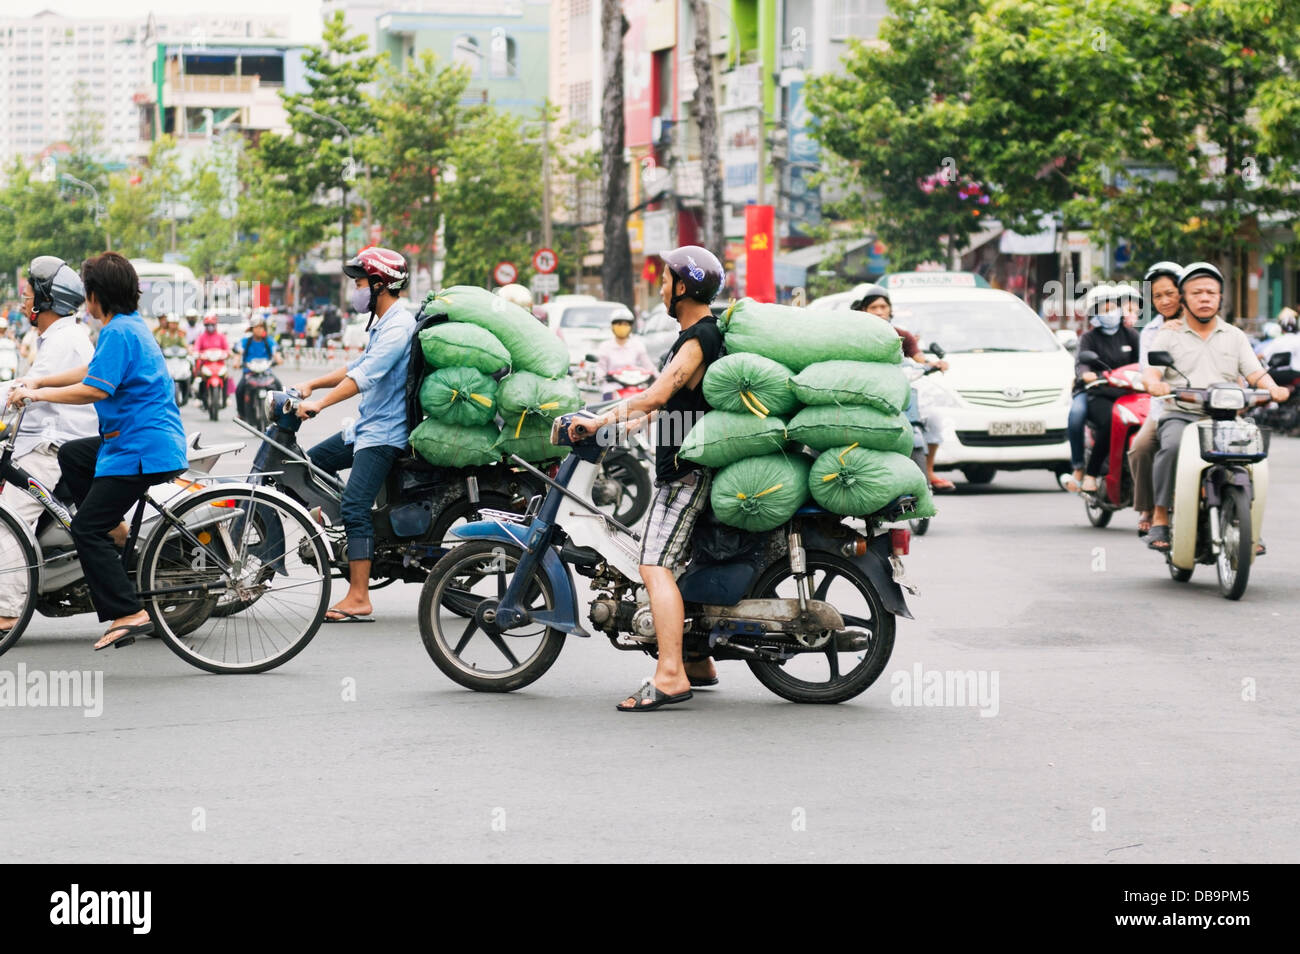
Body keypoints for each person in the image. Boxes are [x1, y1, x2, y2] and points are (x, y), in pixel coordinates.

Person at [568, 245, 726, 712]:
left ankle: (672, 675)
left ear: (682, 287)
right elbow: (677, 407)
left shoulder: (699, 337)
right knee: (679, 568)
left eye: (664, 280)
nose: (659, 288)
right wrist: (629, 424)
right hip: (684, 465)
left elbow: (659, 395)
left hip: (686, 474)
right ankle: (697, 659)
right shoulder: (697, 336)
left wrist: (599, 421)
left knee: (653, 565)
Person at [7, 253, 187, 649]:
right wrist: (37, 384)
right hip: (128, 442)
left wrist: (38, 395)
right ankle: (117, 530)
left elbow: (95, 389)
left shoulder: (118, 332)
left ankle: (129, 612)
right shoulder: (123, 327)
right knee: (73, 455)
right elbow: (91, 373)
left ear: (94, 295)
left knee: (84, 528)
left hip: (140, 448)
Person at [296, 247, 415, 623]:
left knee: (354, 506)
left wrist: (321, 404)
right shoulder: (383, 322)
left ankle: (359, 596)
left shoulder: (398, 326)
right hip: (364, 428)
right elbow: (355, 365)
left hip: (384, 434)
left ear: (380, 285)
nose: (356, 290)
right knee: (308, 465)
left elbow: (366, 377)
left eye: (361, 283)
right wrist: (311, 384)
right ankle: (329, 530)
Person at [1142, 262, 1289, 553]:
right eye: (1197, 292)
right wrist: (1153, 383)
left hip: (1226, 417)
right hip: (1181, 414)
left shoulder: (1234, 335)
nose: (1205, 298)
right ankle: (1159, 513)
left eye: (1212, 292)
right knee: (1169, 448)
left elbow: (1254, 372)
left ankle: (1250, 526)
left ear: (1221, 297)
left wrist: (1273, 388)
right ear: (1183, 298)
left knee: (1254, 456)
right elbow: (1152, 371)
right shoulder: (1168, 334)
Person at [0, 257, 98, 634]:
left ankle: (8, 611)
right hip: (45, 438)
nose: (23, 303)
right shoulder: (59, 337)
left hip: (51, 446)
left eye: (27, 295)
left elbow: (27, 389)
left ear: (44, 301)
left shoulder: (64, 340)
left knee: (10, 520)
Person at [850, 284, 953, 491]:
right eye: (873, 308)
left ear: (890, 310)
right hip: (870, 392)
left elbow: (919, 358)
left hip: (899, 392)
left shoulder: (902, 335)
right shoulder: (856, 334)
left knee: (933, 418)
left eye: (883, 307)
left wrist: (932, 364)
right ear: (863, 311)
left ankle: (929, 471)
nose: (879, 312)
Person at [1127, 262, 1183, 534]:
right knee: (1140, 448)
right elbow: (1145, 371)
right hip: (1165, 407)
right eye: (1158, 296)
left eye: (1170, 293)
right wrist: (1154, 385)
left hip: (1209, 405)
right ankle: (1149, 507)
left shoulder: (1200, 321)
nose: (1165, 301)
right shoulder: (1149, 332)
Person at [1071, 285, 1140, 495]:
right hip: (1099, 393)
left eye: (1113, 307)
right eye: (1105, 308)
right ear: (1095, 313)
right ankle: (1089, 472)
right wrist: (1087, 374)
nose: (1111, 312)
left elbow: (1144, 363)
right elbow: (1082, 365)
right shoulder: (1089, 338)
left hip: (1129, 394)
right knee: (1111, 421)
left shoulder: (1131, 335)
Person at [595, 312, 657, 399]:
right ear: (612, 326)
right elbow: (600, 368)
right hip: (612, 389)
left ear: (631, 327)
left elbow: (648, 366)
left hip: (634, 388)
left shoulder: (637, 345)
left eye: (625, 324)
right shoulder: (605, 346)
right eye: (619, 324)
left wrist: (657, 377)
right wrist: (601, 376)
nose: (622, 327)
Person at [235, 315, 283, 419]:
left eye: (261, 327)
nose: (259, 329)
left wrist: (278, 359)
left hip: (266, 372)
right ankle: (241, 413)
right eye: (257, 327)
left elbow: (276, 351)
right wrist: (237, 361)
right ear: (252, 329)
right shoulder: (246, 341)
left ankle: (280, 412)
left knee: (279, 387)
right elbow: (238, 351)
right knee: (239, 390)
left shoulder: (268, 341)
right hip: (249, 372)